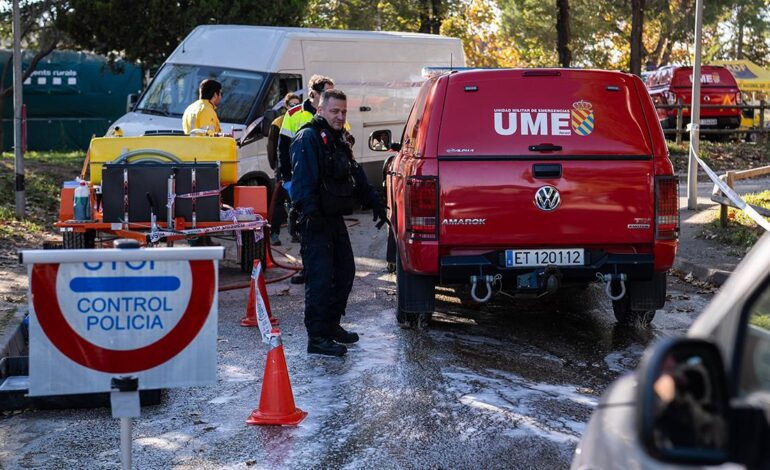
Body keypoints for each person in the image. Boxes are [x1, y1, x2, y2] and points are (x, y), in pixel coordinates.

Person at [290, 89, 387, 356]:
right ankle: (317, 337)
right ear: (320, 110)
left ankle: (331, 326)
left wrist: (374, 201)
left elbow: (354, 173)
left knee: (345, 272)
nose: (340, 116)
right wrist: (310, 215)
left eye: (343, 112)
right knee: (320, 279)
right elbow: (302, 184)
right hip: (314, 220)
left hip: (333, 218)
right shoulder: (308, 138)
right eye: (334, 111)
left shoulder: (338, 139)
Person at [278, 75, 336, 283]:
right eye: (327, 93)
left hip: (327, 183)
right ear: (314, 94)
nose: (331, 97)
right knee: (305, 227)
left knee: (329, 227)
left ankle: (328, 270)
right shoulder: (294, 114)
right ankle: (308, 269)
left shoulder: (332, 112)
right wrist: (287, 179)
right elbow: (283, 148)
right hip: (301, 181)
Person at [267, 92, 301, 246]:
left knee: (296, 201)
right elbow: (272, 148)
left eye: (297, 104)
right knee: (279, 202)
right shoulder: (278, 123)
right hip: (282, 167)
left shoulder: (302, 119)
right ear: (286, 106)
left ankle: (295, 232)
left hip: (298, 166)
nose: (294, 107)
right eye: (291, 104)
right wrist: (277, 168)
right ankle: (274, 233)